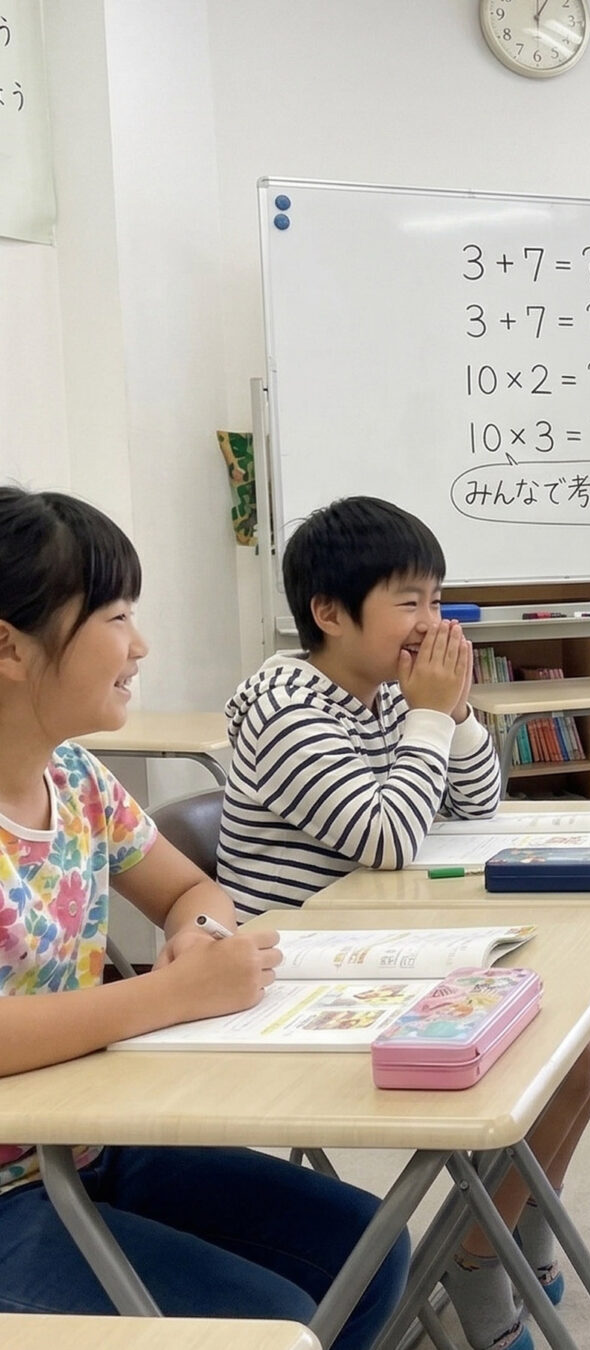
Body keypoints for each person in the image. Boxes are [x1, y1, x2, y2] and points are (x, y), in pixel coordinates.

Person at [218, 496, 590, 1350]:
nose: (431, 623)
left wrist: (458, 710)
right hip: (301, 965)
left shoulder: (385, 694)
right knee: (569, 1048)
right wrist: (428, 716)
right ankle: (477, 1263)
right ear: (329, 613)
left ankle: (515, 1228)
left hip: (385, 936)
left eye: (437, 600)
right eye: (409, 602)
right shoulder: (282, 696)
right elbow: (384, 837)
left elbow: (477, 806)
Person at [0, 486, 408, 1345]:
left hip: (87, 1141)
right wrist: (174, 995)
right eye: (114, 617)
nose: (140, 644)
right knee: (273, 1326)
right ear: (8, 646)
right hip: (18, 1184)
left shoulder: (76, 780)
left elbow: (191, 888)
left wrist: (200, 936)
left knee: (371, 1252)